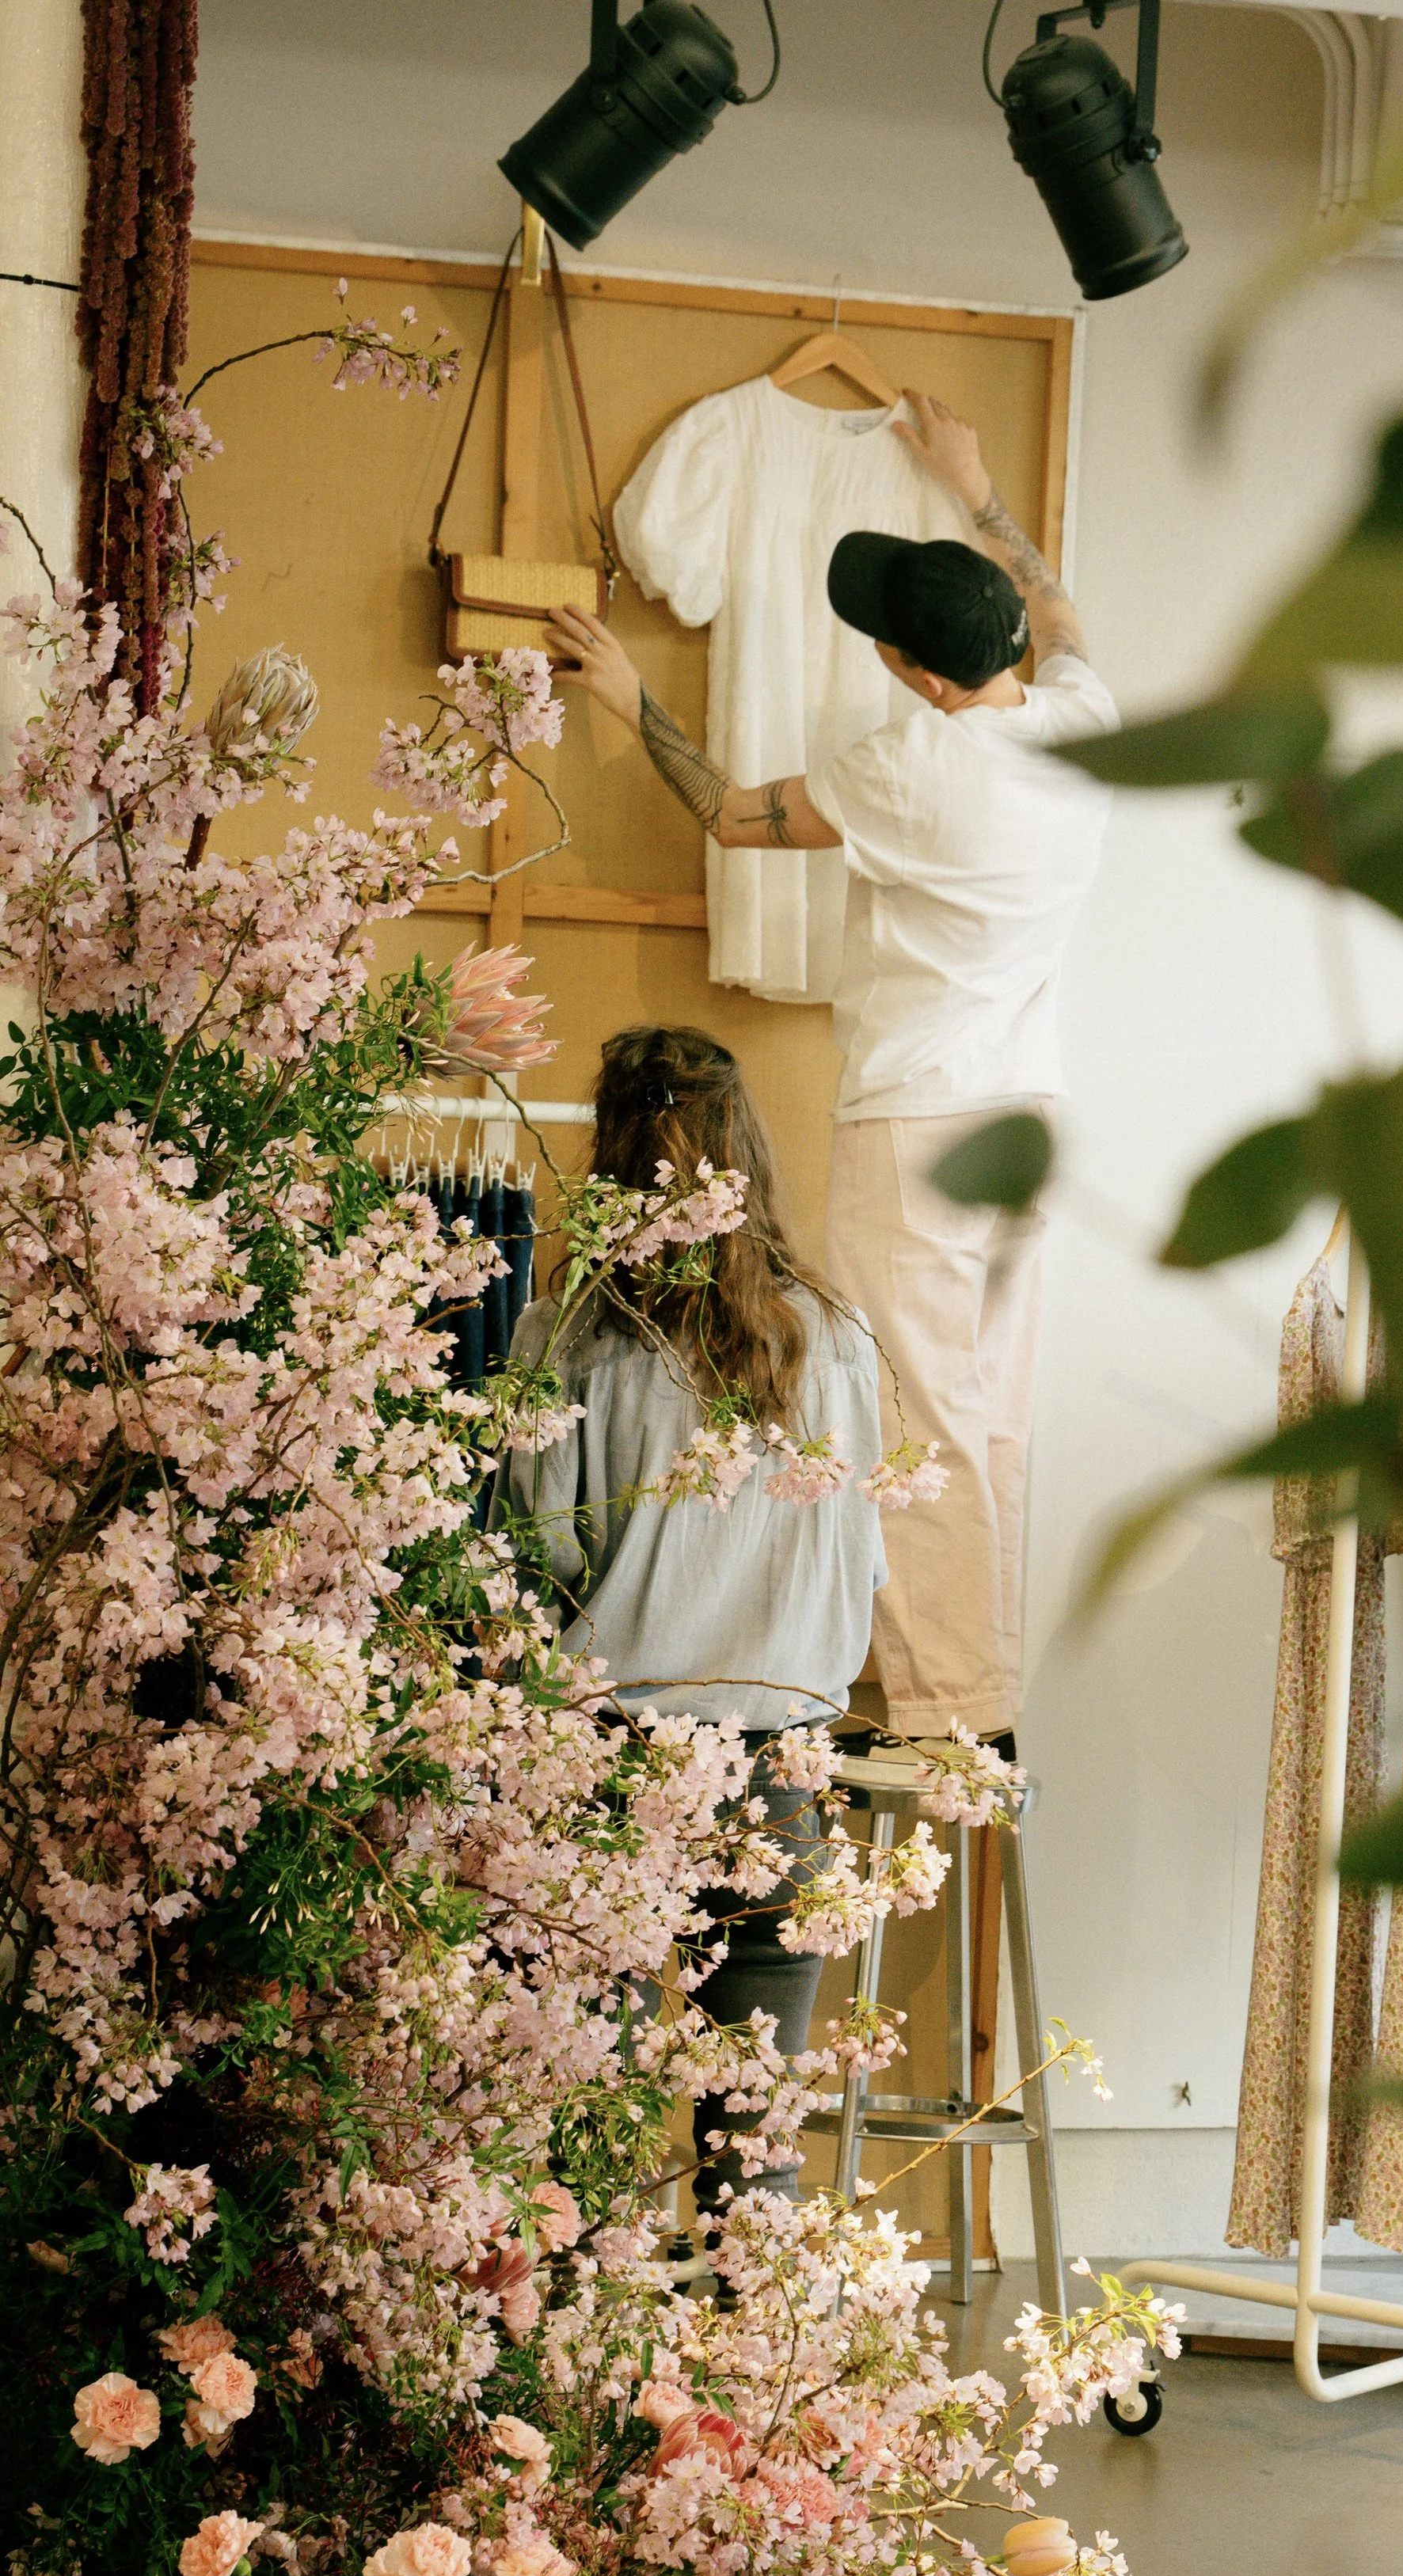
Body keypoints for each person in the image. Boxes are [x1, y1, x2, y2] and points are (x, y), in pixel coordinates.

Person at [548, 391, 1118, 1755]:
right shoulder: (1080, 721)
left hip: (923, 1123)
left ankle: (940, 1713)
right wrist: (974, 487)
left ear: (922, 677)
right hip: (1027, 1123)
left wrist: (636, 704)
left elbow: (738, 821)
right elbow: (1070, 620)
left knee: (904, 1419)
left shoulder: (911, 768)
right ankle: (957, 1690)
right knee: (982, 1422)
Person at [499, 1023, 884, 2212]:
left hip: (617, 1760)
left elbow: (543, 1555)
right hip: (783, 1767)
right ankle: (741, 2390)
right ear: (748, 1155)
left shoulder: (572, 1338)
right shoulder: (839, 1340)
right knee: (754, 2145)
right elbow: (861, 1562)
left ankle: (583, 2382)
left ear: (612, 1159)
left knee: (590, 2123)